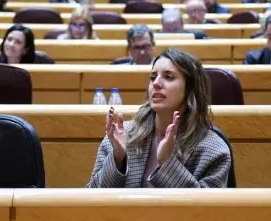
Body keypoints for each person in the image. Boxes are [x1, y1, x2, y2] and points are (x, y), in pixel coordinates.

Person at [87, 48, 231, 188]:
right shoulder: (121, 136)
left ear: (190, 89)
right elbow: (90, 200)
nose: (156, 83)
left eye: (168, 77)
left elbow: (206, 210)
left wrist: (167, 163)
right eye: (153, 77)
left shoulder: (214, 150)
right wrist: (118, 157)